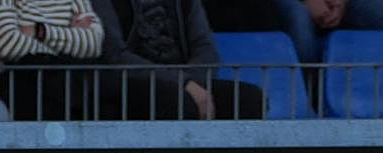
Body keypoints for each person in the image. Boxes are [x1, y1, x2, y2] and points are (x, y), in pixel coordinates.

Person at [92, 0, 265, 120]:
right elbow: (115, 57)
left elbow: (205, 47)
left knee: (248, 100)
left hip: (185, 82)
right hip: (130, 83)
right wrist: (184, 83)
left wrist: (193, 83)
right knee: (178, 102)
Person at [0, 0, 104, 120]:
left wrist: (41, 32)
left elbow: (94, 43)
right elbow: (7, 43)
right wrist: (69, 42)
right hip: (0, 80)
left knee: (106, 95)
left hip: (59, 79)